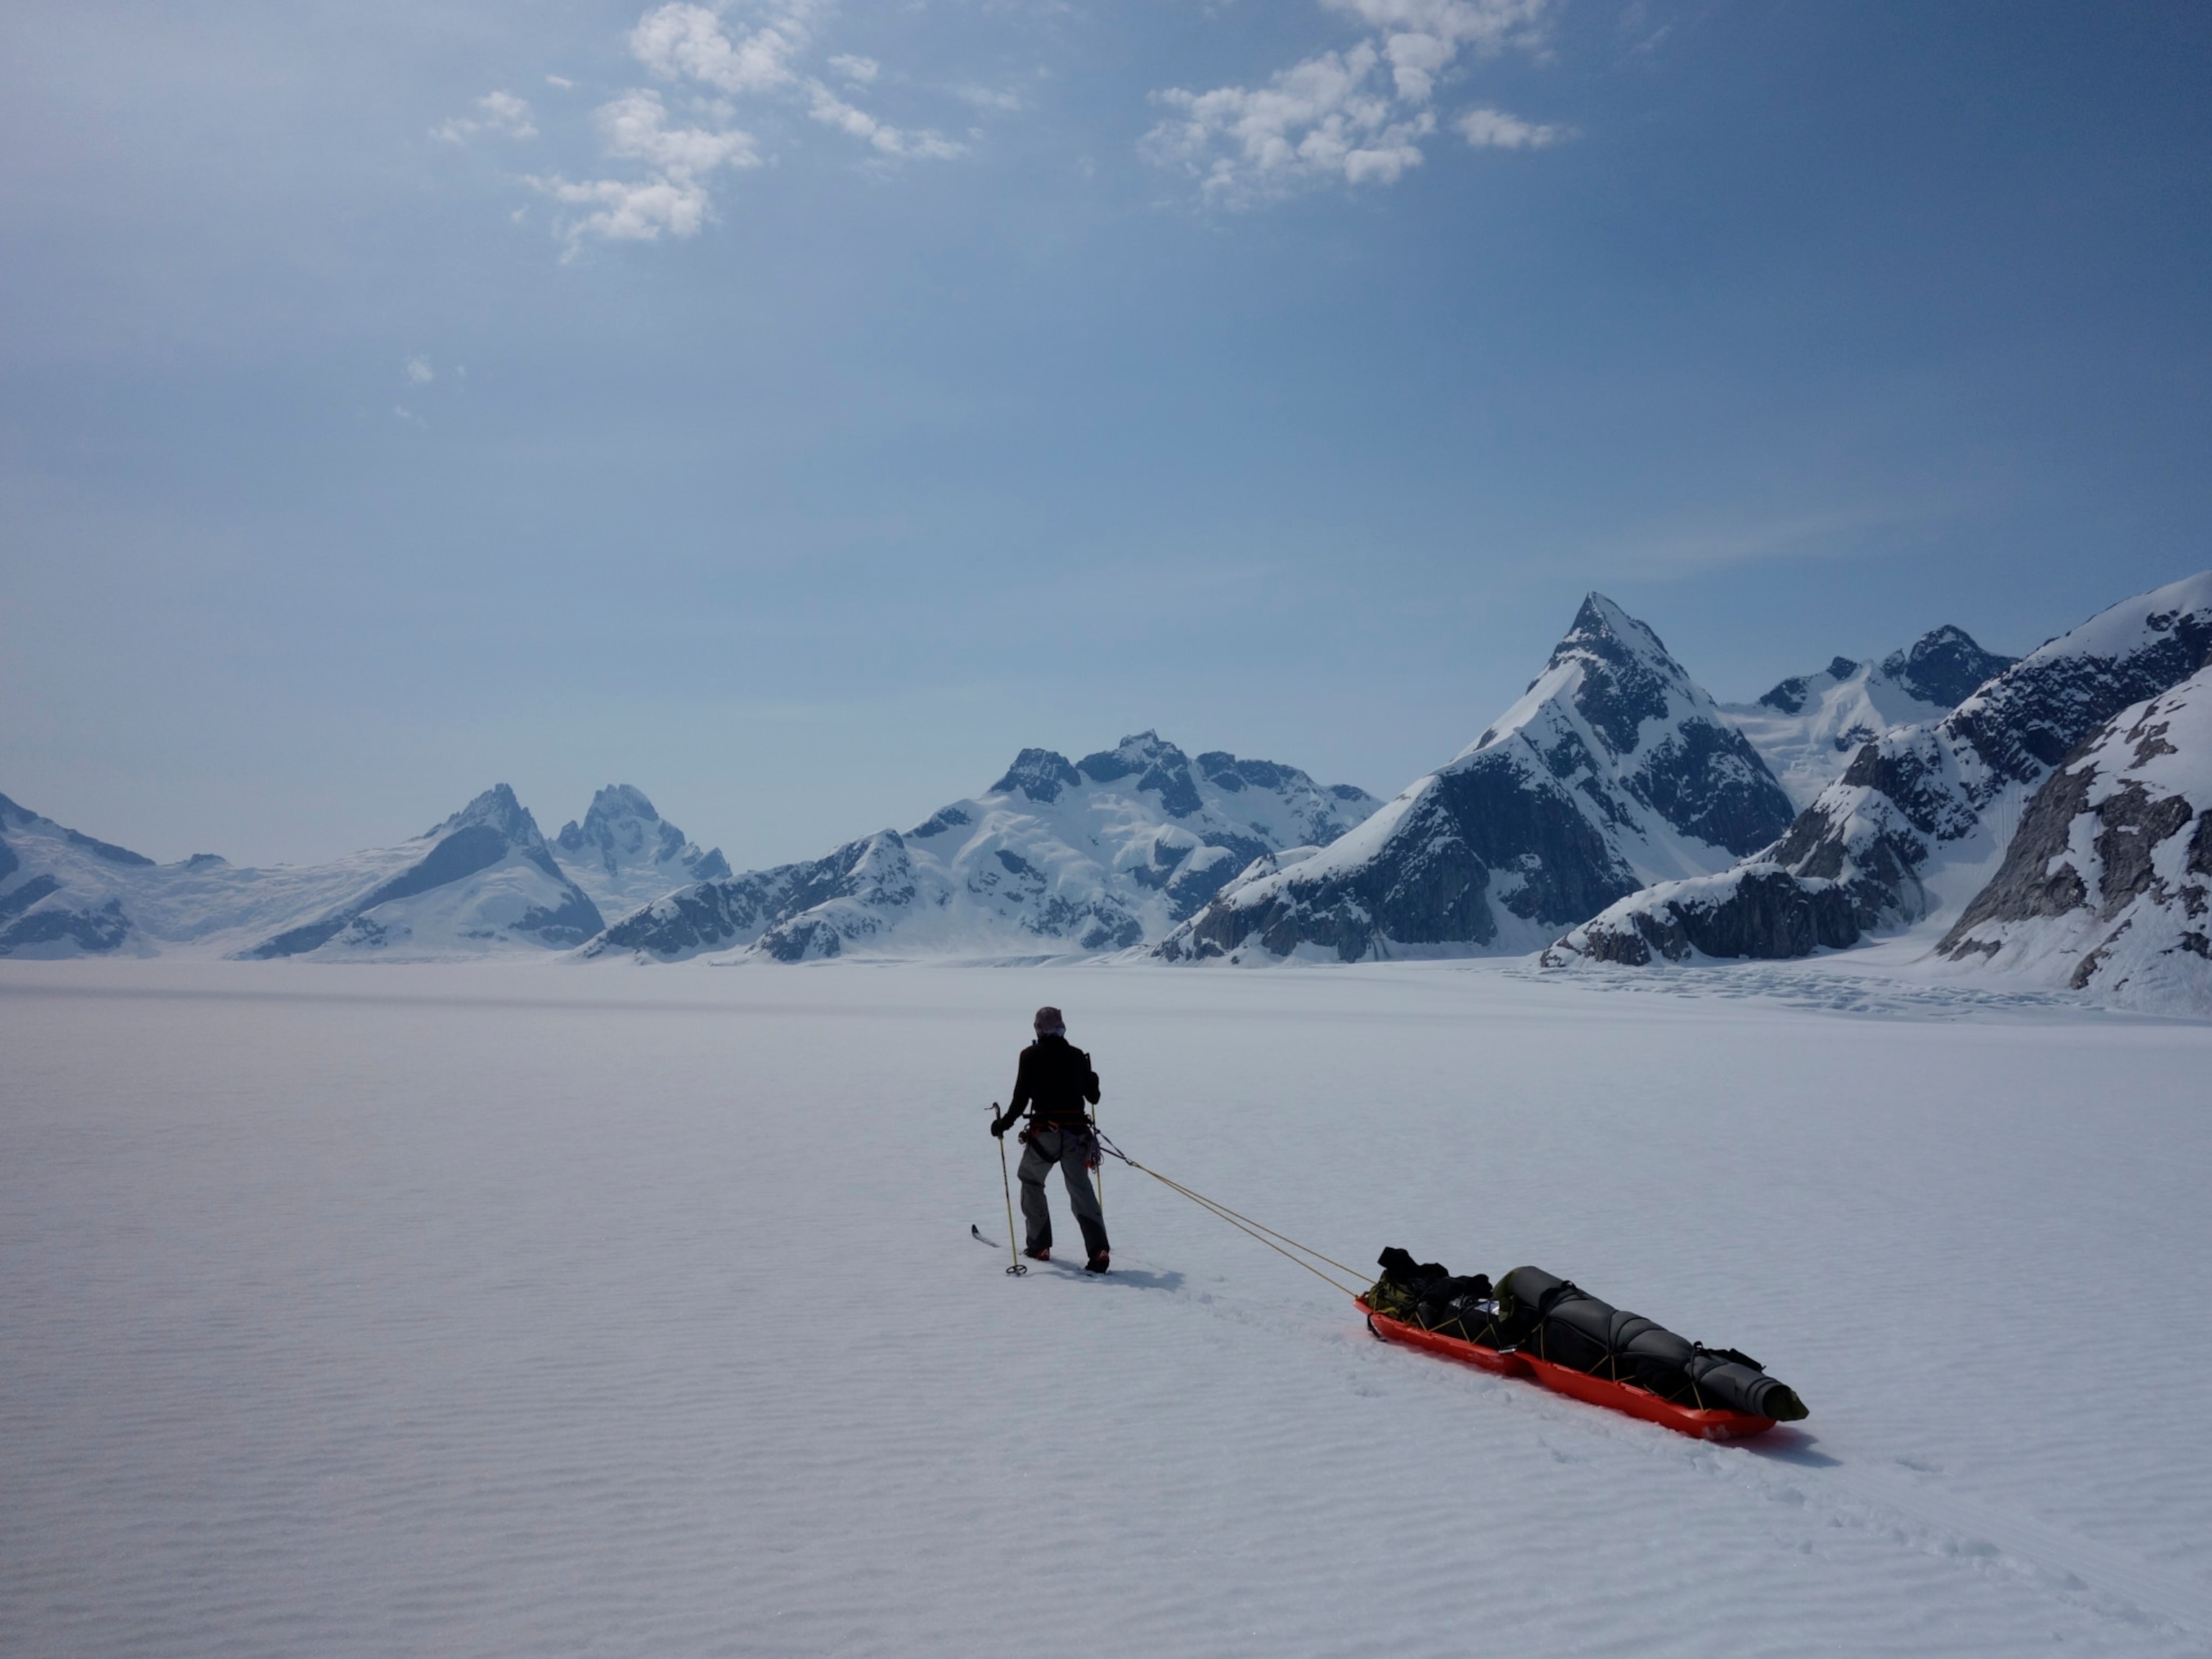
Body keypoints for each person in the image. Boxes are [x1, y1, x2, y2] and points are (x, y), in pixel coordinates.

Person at [991, 1005, 1109, 1272]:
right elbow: (1094, 1097)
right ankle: (1099, 1249)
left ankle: (1039, 1245)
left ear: (1038, 1029)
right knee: (1080, 1190)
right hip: (1077, 1136)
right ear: (1062, 1027)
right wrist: (1091, 1076)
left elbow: (1020, 1099)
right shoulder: (1078, 1056)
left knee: (1031, 1179)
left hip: (1045, 1135)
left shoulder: (1030, 1056)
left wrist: (1002, 1125)